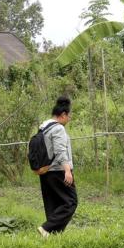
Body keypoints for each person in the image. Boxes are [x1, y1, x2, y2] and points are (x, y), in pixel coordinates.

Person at [36, 96, 77, 236]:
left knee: (53, 203)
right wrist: (67, 170)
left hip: (45, 170)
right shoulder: (58, 128)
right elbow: (60, 151)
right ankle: (46, 228)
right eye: (69, 116)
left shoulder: (44, 126)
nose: (69, 119)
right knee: (71, 202)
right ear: (63, 114)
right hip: (58, 171)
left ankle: (52, 235)